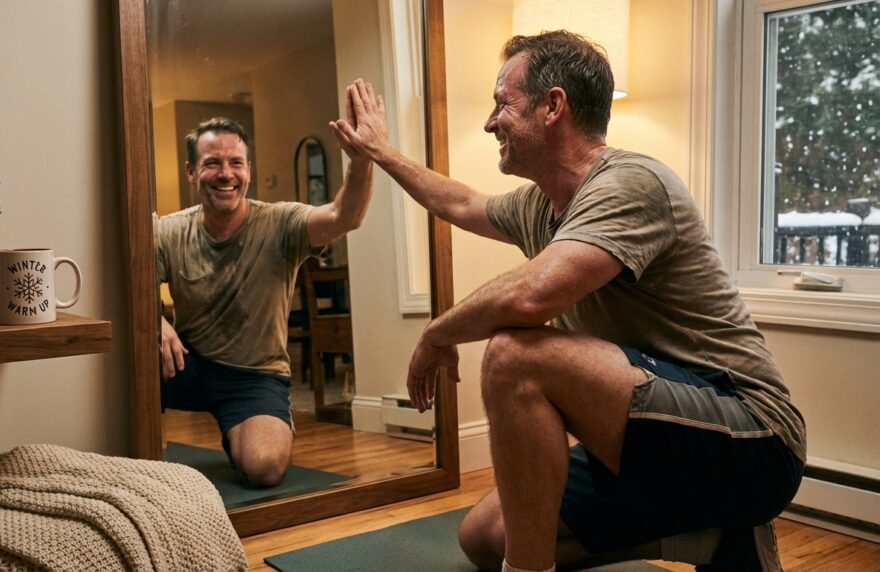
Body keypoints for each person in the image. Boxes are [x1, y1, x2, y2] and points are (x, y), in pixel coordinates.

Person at [332, 32, 805, 572]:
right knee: (485, 535)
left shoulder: (632, 182)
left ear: (553, 105)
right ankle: (707, 540)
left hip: (751, 439)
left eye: (502, 103)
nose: (490, 123)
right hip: (654, 433)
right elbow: (459, 201)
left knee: (515, 355)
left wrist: (438, 332)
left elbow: (532, 295)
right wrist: (380, 151)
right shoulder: (541, 205)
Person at [157, 89, 376, 487]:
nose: (226, 173)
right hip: (186, 363)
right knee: (126, 360)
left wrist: (361, 160)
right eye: (212, 164)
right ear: (191, 172)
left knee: (264, 468)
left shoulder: (281, 223)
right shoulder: (169, 231)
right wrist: (154, 320)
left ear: (248, 170)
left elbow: (346, 217)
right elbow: (125, 288)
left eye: (235, 163)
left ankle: (242, 427)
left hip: (253, 374)